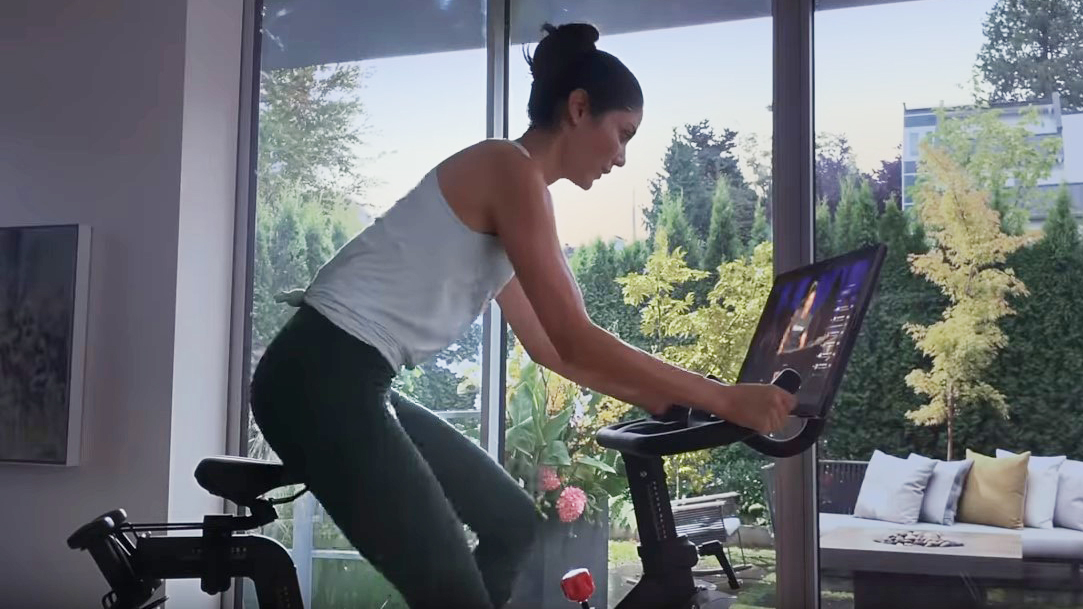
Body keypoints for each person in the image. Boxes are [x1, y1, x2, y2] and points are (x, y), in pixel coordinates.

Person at [249, 22, 796, 609]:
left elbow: (549, 348)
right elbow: (575, 335)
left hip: (352, 376)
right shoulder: (509, 171)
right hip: (322, 376)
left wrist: (656, 399)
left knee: (513, 523)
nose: (621, 156)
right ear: (580, 108)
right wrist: (724, 398)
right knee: (451, 594)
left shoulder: (519, 188)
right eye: (622, 134)